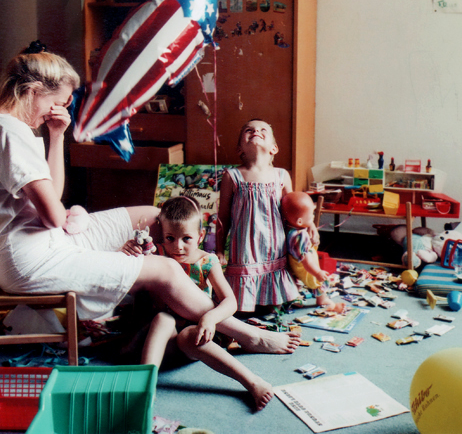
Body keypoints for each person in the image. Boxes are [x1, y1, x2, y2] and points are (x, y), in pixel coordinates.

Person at [0, 42, 299, 355]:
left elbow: (53, 195)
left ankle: (169, 306)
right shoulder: (9, 132)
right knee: (166, 268)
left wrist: (56, 136)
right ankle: (245, 333)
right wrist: (62, 214)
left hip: (42, 236)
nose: (59, 110)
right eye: (57, 102)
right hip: (31, 255)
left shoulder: (1, 122)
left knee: (156, 217)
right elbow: (54, 213)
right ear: (32, 91)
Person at [134, 196, 273, 410]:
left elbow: (230, 302)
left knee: (188, 336)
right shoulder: (157, 254)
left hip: (198, 338)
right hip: (162, 342)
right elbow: (126, 268)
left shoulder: (207, 261)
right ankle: (144, 388)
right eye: (169, 238)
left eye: (186, 239)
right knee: (163, 318)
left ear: (200, 236)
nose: (177, 247)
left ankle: (252, 382)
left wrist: (209, 318)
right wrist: (129, 249)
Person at [215, 119, 300, 312]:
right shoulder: (232, 176)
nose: (256, 132)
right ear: (239, 149)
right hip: (244, 247)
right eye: (249, 130)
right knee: (240, 309)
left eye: (263, 130)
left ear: (274, 148)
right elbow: (223, 217)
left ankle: (271, 300)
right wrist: (219, 250)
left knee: (272, 308)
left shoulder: (281, 175)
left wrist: (300, 238)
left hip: (274, 245)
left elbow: (292, 213)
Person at [281, 191, 338, 309]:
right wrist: (317, 272)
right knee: (318, 282)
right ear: (300, 221)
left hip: (294, 263)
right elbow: (307, 261)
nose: (313, 217)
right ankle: (322, 299)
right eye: (311, 214)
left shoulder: (289, 228)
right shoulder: (301, 236)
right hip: (305, 267)